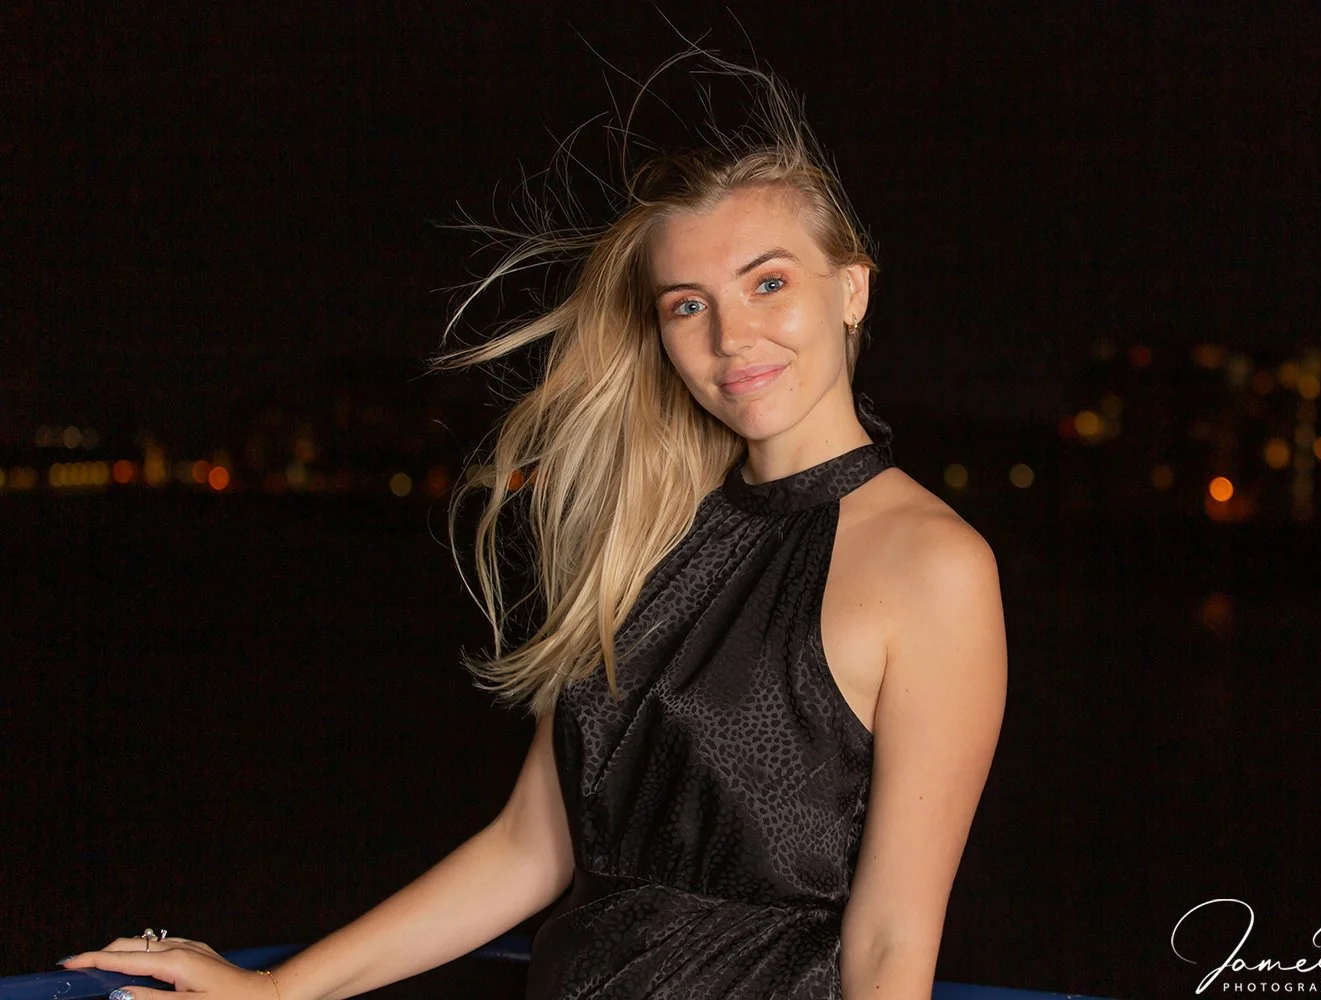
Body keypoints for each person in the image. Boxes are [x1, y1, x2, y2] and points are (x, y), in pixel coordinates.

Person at [59, 52, 1008, 1000]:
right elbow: (532, 846)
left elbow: (890, 941)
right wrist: (277, 991)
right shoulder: (649, 535)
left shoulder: (934, 566)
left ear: (851, 289)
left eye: (769, 284)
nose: (730, 337)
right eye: (689, 304)